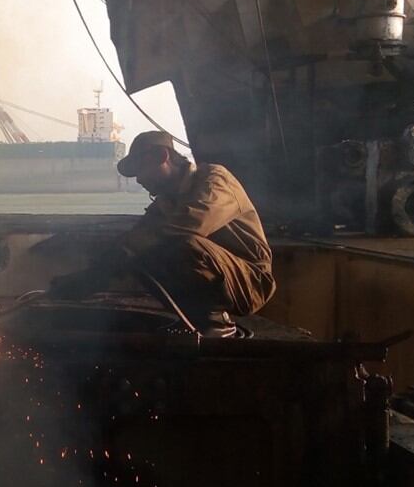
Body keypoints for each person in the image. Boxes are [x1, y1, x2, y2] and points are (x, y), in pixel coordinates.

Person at [48, 131, 275, 337]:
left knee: (177, 243)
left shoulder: (215, 180)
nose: (138, 179)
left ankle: (216, 322)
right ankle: (193, 318)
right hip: (222, 276)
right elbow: (134, 240)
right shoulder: (164, 203)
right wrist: (91, 276)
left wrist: (125, 253)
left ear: (161, 157)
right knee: (139, 252)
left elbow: (189, 225)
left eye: (140, 168)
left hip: (250, 282)